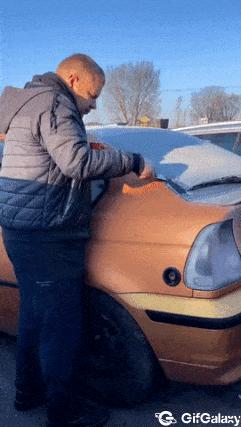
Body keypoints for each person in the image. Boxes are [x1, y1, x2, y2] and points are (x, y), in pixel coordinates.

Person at [0, 53, 155, 427]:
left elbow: (56, 157)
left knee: (36, 316)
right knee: (62, 325)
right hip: (48, 234)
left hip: (23, 229)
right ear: (73, 79)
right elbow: (76, 164)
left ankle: (27, 392)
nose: (93, 105)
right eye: (92, 95)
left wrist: (89, 146)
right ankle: (65, 413)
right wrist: (132, 161)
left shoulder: (30, 101)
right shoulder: (55, 103)